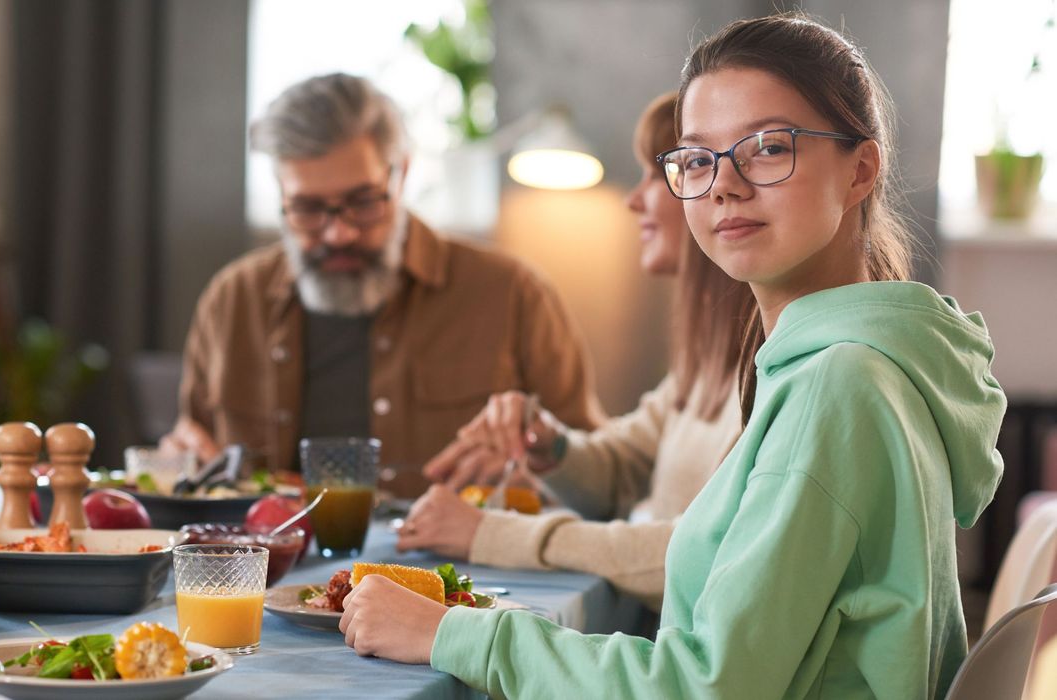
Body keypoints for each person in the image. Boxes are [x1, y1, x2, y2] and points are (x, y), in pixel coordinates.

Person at [338, 14, 1007, 698]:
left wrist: (449, 632)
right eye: (695, 158)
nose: (724, 184)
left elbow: (701, 687)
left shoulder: (839, 386)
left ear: (861, 169)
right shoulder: (836, 365)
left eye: (769, 148)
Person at [161, 73, 604, 495]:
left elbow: (599, 472)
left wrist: (534, 472)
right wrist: (179, 460)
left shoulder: (511, 294)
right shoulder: (232, 301)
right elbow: (195, 450)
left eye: (362, 202)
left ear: (402, 173)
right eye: (308, 209)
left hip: (461, 571)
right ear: (280, 194)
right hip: (273, 569)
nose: (339, 233)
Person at [395, 91, 750, 612]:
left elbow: (695, 551)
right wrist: (547, 441)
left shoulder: (771, 369)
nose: (635, 199)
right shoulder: (707, 360)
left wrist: (491, 534)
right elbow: (621, 467)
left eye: (665, 173)